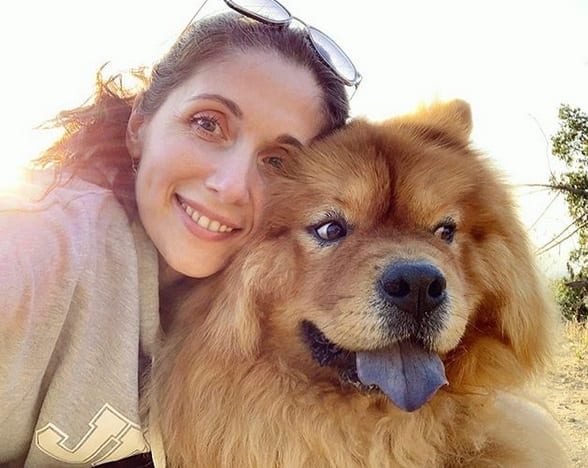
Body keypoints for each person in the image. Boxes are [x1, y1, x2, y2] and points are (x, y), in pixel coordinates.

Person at [0, 0, 360, 466]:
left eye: (279, 162)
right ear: (139, 125)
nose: (229, 186)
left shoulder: (291, 311)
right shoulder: (46, 243)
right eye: (207, 124)